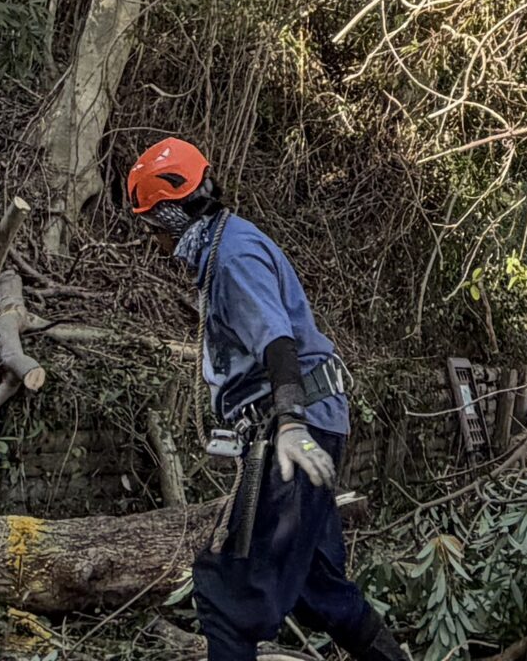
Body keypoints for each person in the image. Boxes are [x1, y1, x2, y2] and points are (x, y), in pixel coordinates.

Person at [125, 136, 413, 661]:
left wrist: (289, 425)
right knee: (316, 589)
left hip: (296, 433)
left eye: (151, 228)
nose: (152, 243)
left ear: (170, 216)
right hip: (308, 423)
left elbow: (278, 342)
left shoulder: (233, 258)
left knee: (229, 597)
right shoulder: (224, 246)